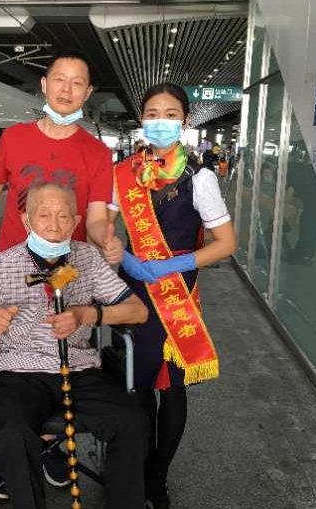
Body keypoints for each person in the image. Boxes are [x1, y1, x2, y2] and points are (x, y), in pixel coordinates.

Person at [0, 182, 150, 509]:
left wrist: (87, 314)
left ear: (76, 221)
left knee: (132, 421)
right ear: (26, 221)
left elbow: (138, 311)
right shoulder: (2, 267)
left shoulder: (88, 259)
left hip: (80, 369)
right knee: (12, 432)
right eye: (44, 216)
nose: (54, 225)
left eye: (63, 216)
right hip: (18, 372)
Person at [108, 83, 237, 509]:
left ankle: (158, 476)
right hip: (133, 292)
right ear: (141, 120)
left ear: (184, 122)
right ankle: (141, 462)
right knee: (140, 383)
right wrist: (121, 253)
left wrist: (169, 267)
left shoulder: (200, 177)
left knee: (174, 389)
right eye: (152, 114)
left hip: (177, 292)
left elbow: (226, 243)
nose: (160, 122)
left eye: (170, 115)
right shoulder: (124, 174)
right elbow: (103, 226)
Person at [0, 49, 123, 274]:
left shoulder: (98, 152)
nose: (66, 89)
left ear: (87, 93)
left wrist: (106, 239)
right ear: (44, 84)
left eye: (77, 83)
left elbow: (96, 218)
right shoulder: (13, 137)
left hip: (68, 270)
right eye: (59, 79)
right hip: (12, 265)